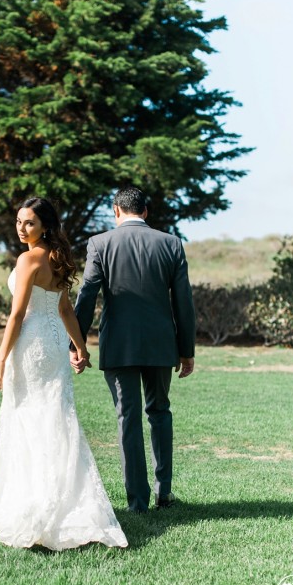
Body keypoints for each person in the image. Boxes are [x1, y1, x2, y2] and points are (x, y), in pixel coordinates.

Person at [0, 197, 128, 550]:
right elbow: (66, 310)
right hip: (54, 344)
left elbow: (16, 316)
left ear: (44, 226)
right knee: (55, 415)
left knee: (30, 416)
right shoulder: (57, 258)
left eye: (29, 223)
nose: (21, 228)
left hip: (31, 345)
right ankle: (66, 500)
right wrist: (80, 346)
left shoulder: (29, 259)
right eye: (18, 221)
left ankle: (36, 502)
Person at [71, 187, 196, 514]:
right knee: (160, 412)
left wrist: (77, 343)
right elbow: (183, 302)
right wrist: (187, 349)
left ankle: (137, 502)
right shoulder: (171, 244)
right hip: (160, 343)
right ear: (146, 210)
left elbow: (86, 296)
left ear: (116, 211)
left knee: (128, 419)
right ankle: (163, 492)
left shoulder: (100, 244)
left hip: (119, 346)